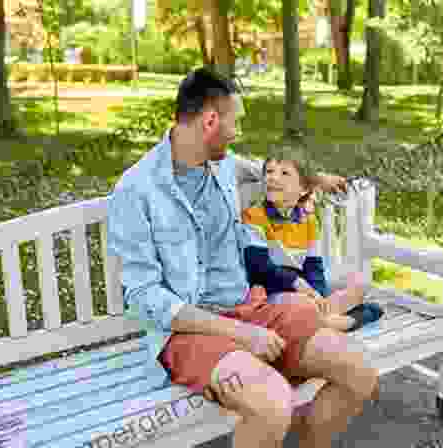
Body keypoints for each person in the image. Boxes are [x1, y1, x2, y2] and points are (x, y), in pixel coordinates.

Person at [107, 67, 379, 448]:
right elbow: (144, 297)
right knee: (272, 402)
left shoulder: (223, 163)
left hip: (250, 307)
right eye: (235, 123)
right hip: (189, 330)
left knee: (359, 371)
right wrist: (241, 334)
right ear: (210, 121)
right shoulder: (136, 191)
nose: (238, 133)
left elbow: (264, 172)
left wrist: (314, 180)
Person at [241, 149, 385, 333]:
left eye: (284, 173)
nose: (273, 178)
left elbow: (314, 268)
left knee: (358, 289)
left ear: (303, 190)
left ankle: (323, 319)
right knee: (305, 308)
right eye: (269, 172)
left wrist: (319, 296)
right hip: (270, 291)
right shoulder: (254, 217)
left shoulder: (307, 221)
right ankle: (346, 322)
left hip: (301, 293)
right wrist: (297, 284)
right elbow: (259, 269)